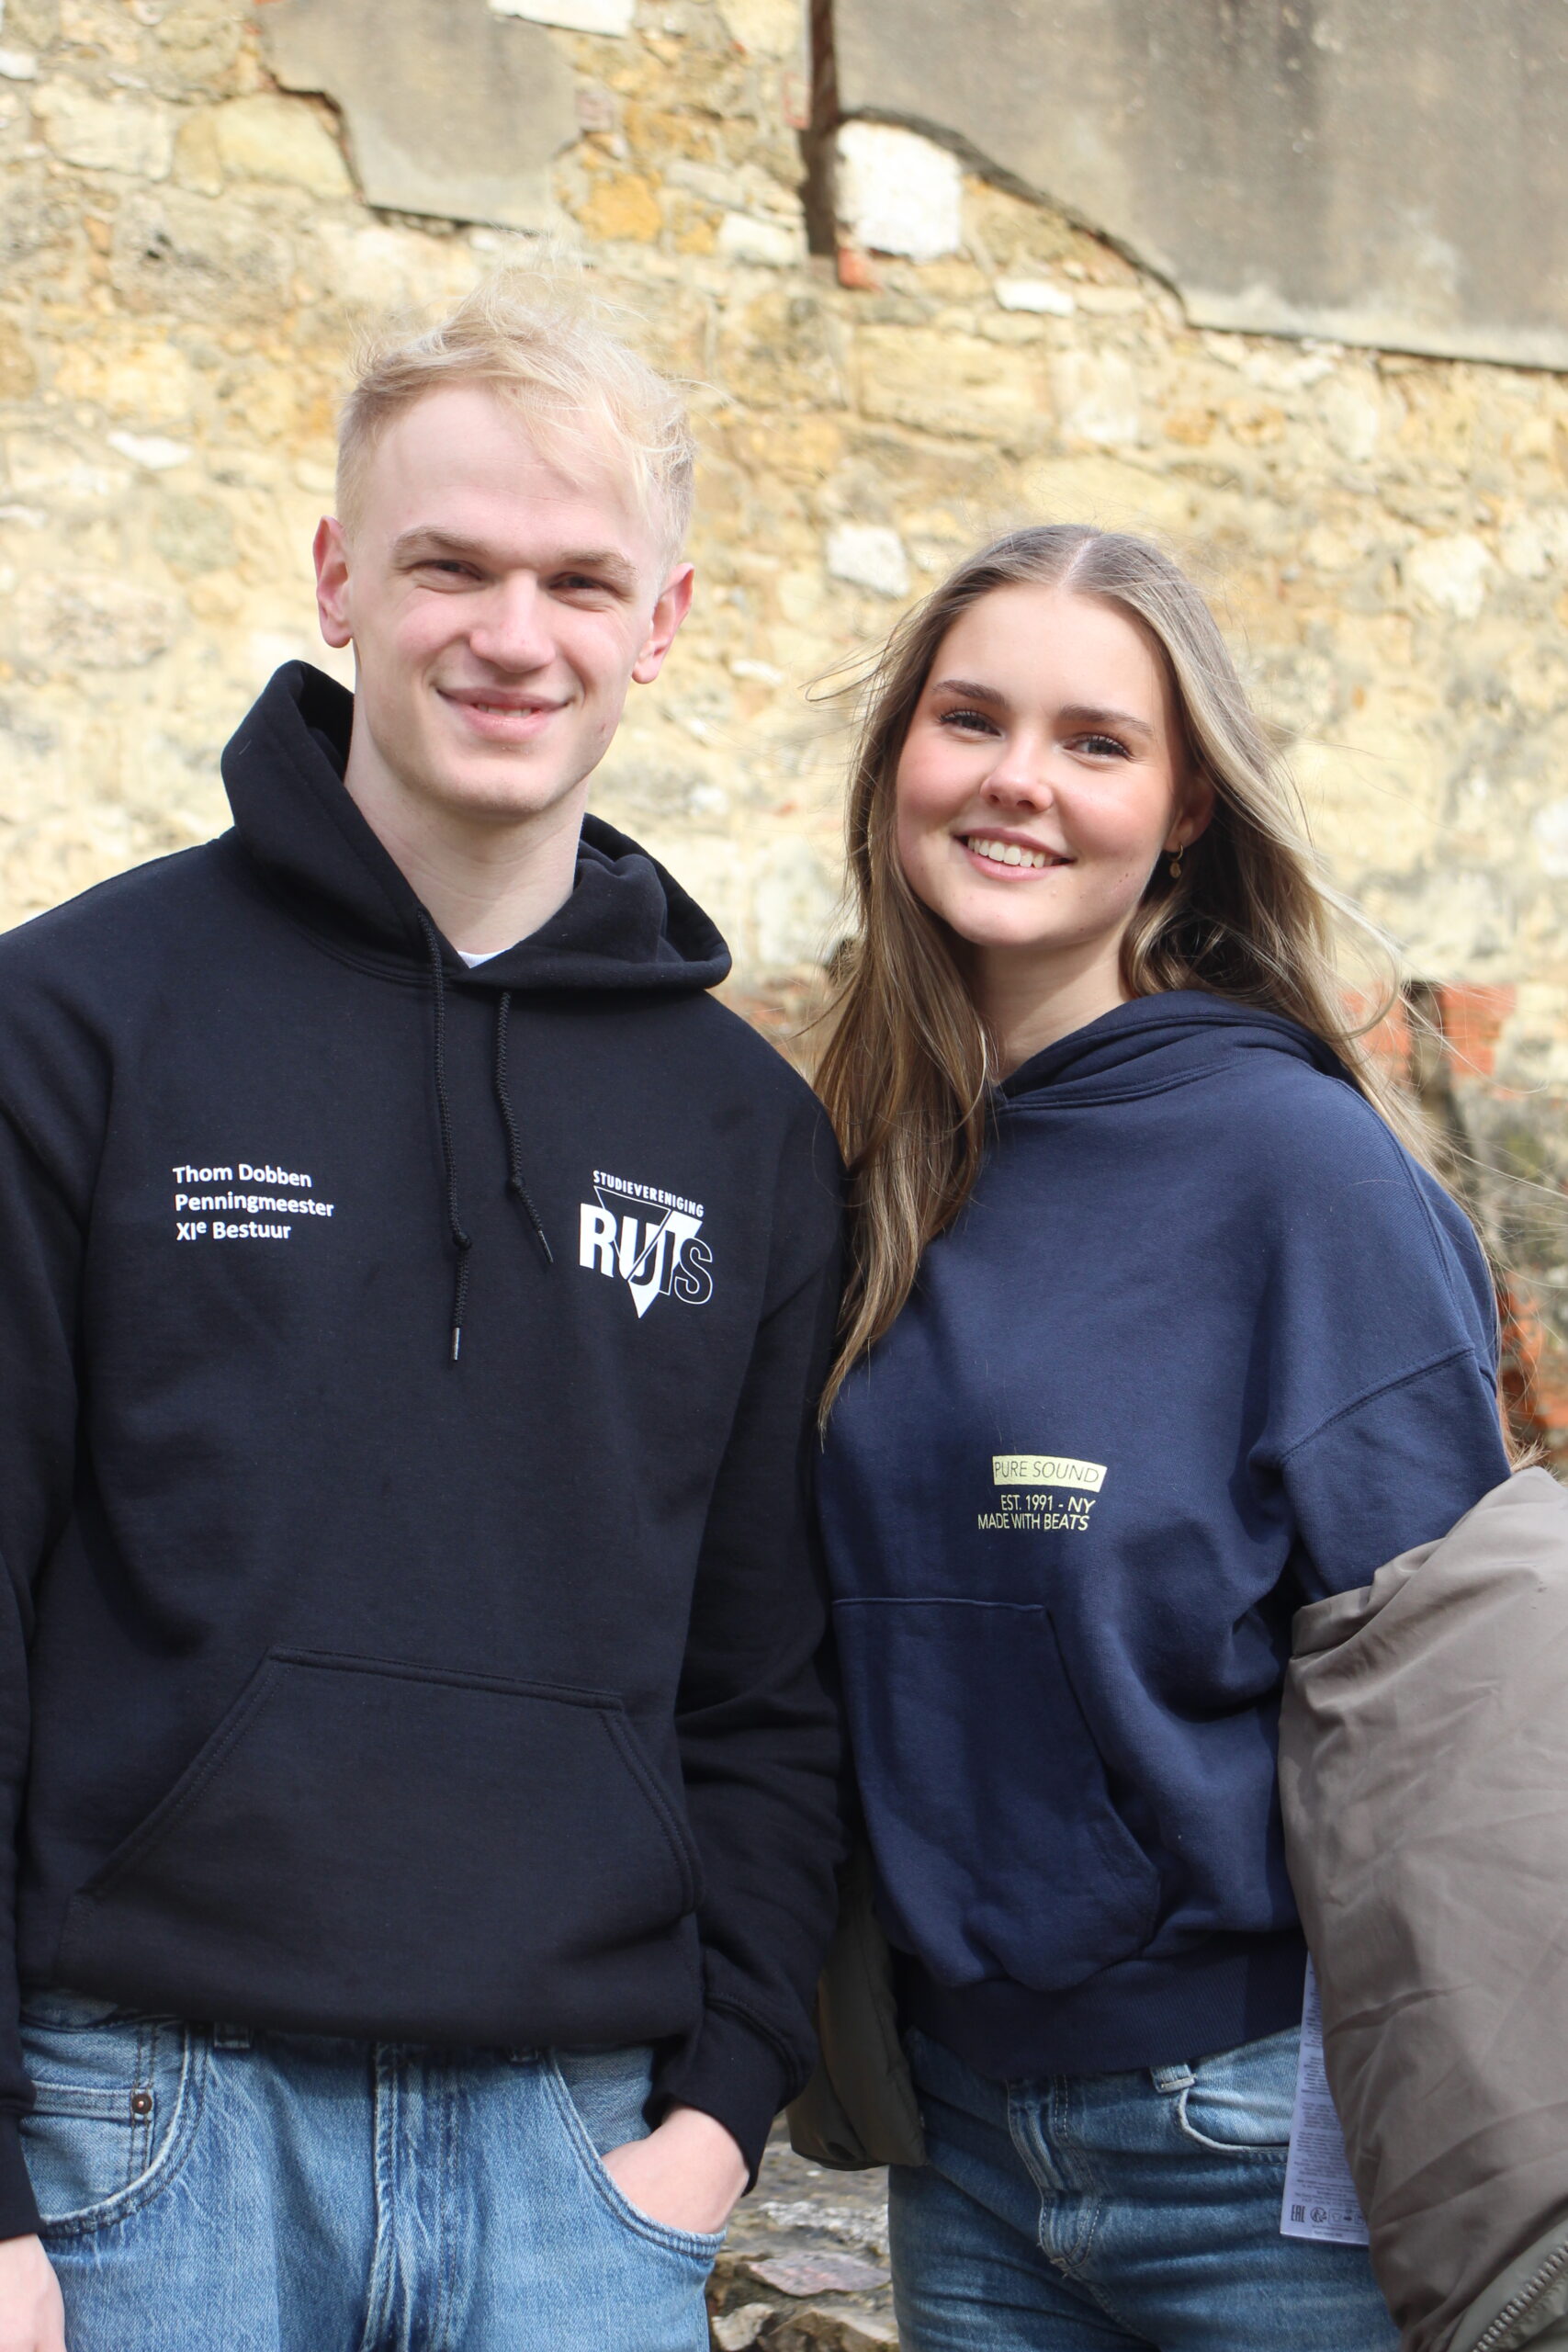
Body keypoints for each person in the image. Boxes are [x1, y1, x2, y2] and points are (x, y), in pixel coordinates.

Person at [0, 267, 843, 2352]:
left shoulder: (743, 1128)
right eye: (450, 564)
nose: (512, 634)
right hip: (140, 2140)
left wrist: (718, 2118)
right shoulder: (72, 1022)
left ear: (661, 620)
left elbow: (766, 1677)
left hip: (578, 2169)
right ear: (338, 579)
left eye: (580, 581)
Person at [811, 525, 1514, 2351]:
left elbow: (1451, 1724)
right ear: (900, 752)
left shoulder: (1299, 1173)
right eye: (971, 719)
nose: (1016, 779)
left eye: (1096, 741)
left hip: (1254, 2135)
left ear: (1186, 805)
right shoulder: (863, 1152)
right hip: (956, 2139)